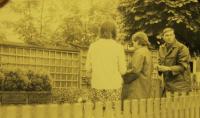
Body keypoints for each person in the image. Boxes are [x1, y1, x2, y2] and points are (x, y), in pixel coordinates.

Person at [85, 20, 127, 102]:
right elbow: (122, 71)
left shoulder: (93, 46)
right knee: (112, 112)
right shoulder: (119, 47)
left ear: (101, 31)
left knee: (98, 112)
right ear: (114, 32)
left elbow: (88, 68)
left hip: (97, 85)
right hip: (114, 86)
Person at [157, 27, 192, 95]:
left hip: (180, 85)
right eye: (167, 35)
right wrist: (158, 67)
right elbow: (160, 63)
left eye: (171, 35)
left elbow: (183, 66)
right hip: (167, 85)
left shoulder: (182, 48)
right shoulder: (161, 48)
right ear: (163, 37)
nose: (169, 37)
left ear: (174, 36)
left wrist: (168, 68)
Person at [122, 31, 153, 100]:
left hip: (136, 90)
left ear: (138, 41)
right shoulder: (147, 52)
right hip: (145, 88)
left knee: (132, 109)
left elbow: (135, 71)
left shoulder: (139, 52)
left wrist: (123, 77)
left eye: (133, 42)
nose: (133, 44)